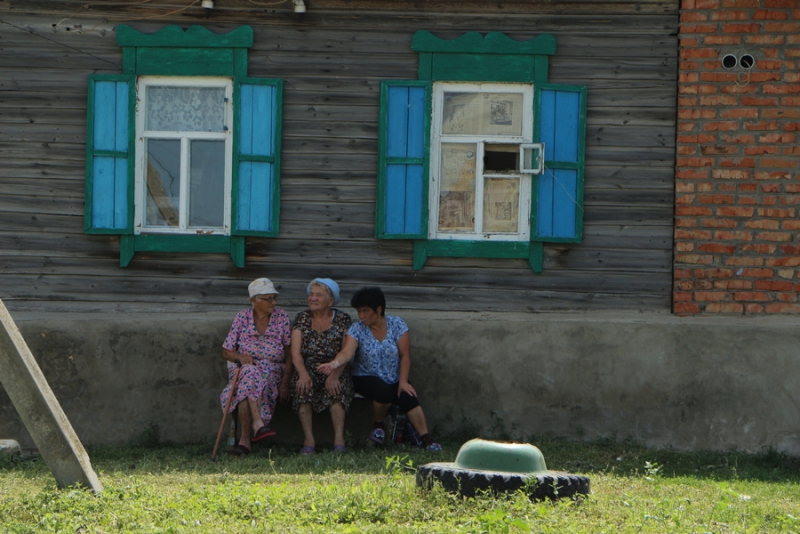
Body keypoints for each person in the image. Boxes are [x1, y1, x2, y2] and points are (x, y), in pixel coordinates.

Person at [318, 287, 442, 451]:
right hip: (365, 376)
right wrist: (333, 364)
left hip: (394, 376)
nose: (361, 315)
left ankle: (427, 441)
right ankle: (378, 427)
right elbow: (347, 352)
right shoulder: (357, 329)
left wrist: (403, 381)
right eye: (359, 311)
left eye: (365, 311)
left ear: (379, 309)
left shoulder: (397, 324)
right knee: (384, 392)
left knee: (409, 396)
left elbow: (405, 355)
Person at [220, 278, 292, 456]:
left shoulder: (281, 317)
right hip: (245, 369)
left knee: (248, 386)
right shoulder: (242, 317)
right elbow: (226, 352)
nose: (273, 302)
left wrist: (285, 382)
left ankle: (245, 441)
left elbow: (290, 354)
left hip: (272, 371)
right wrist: (241, 357)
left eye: (274, 298)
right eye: (268, 298)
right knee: (250, 373)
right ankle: (258, 424)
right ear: (255, 300)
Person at [290, 278, 353, 454]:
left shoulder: (342, 319)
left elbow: (346, 352)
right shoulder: (302, 318)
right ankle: (309, 440)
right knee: (302, 387)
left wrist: (334, 375)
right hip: (307, 367)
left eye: (319, 295)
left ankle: (339, 440)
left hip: (335, 367)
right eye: (311, 294)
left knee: (336, 390)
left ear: (331, 301)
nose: (313, 298)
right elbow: (295, 353)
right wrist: (303, 374)